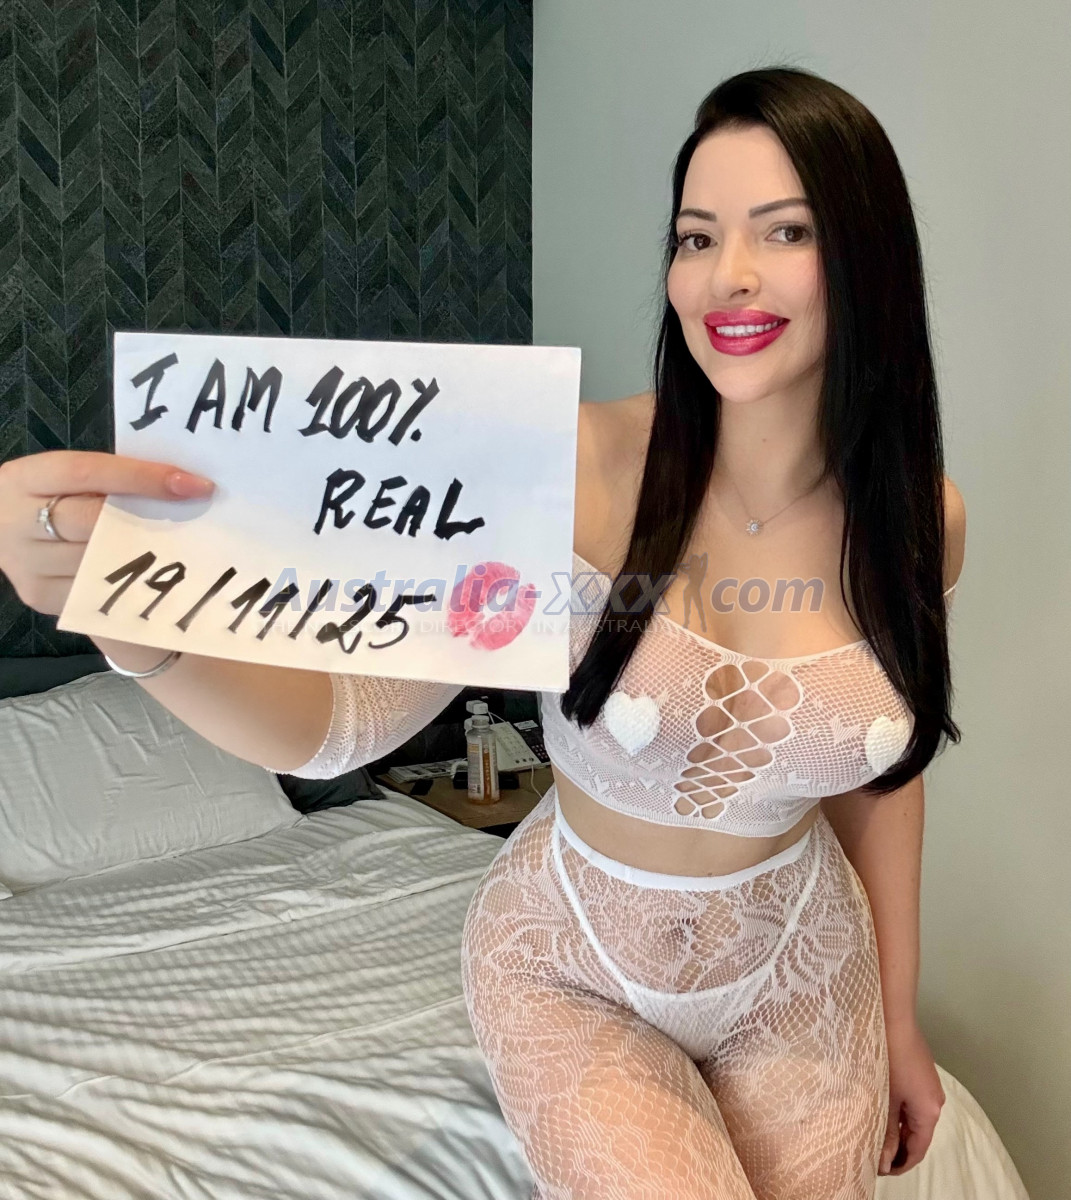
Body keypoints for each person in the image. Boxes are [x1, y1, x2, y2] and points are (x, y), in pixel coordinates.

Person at [0, 65, 966, 1200]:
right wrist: (135, 624)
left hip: (803, 967)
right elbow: (340, 724)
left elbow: (881, 776)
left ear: (866, 255)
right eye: (696, 237)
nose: (727, 275)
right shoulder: (561, 471)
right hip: (572, 965)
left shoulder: (922, 519)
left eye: (784, 230)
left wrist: (898, 1017)